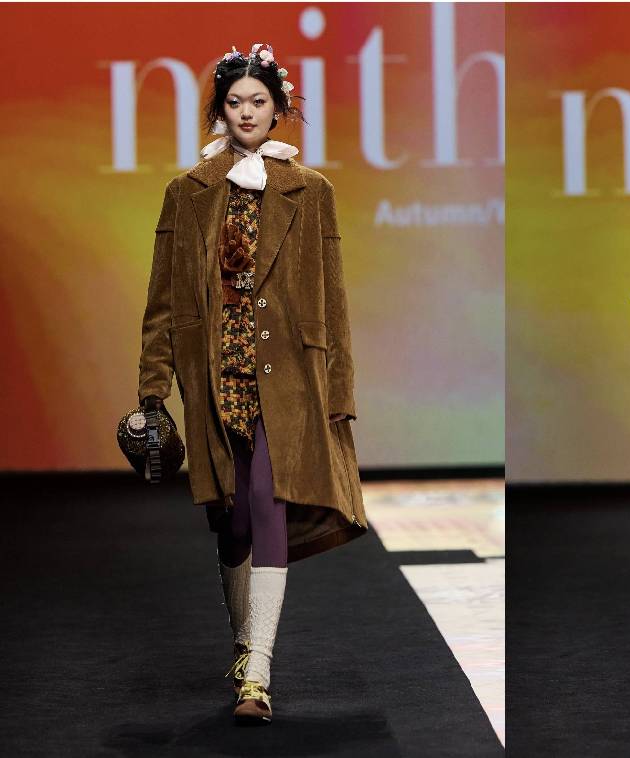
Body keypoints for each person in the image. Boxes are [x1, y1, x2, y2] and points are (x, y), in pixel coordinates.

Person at [136, 43, 364, 724]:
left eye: (257, 101)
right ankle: (244, 645)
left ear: (278, 108)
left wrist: (340, 390)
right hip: (214, 371)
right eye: (234, 101)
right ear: (220, 109)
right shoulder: (188, 191)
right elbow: (162, 297)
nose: (246, 112)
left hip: (288, 374)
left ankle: (257, 672)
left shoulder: (311, 190)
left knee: (268, 501)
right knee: (232, 518)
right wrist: (152, 389)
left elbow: (333, 296)